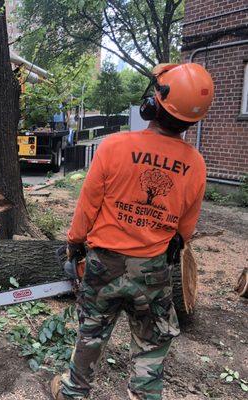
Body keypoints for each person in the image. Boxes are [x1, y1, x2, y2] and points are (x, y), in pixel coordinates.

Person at [51, 63, 215, 400]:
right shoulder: (195, 164)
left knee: (91, 332)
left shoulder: (113, 147)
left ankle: (73, 392)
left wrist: (74, 246)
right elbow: (185, 230)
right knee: (152, 342)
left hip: (103, 265)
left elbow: (87, 207)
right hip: (152, 269)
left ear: (153, 104)